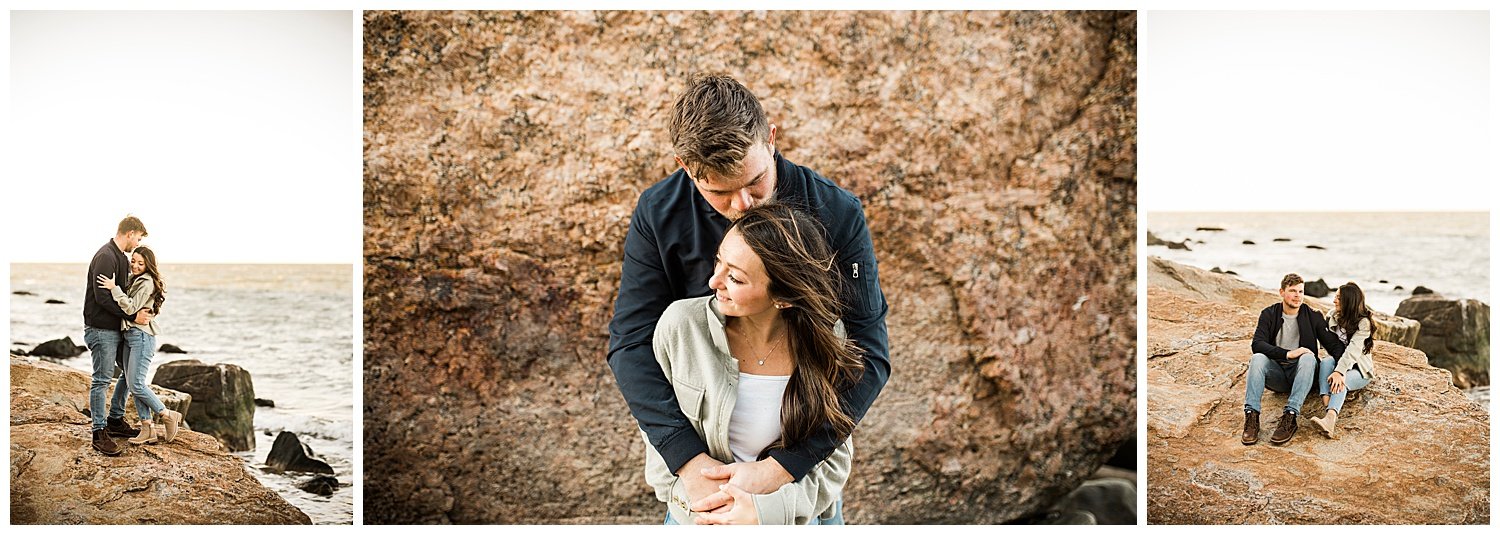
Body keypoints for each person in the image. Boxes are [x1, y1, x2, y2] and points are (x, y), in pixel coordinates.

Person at [608, 73, 890, 517]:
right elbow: (630, 345)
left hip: (802, 481)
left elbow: (869, 354)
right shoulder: (659, 213)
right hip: (700, 485)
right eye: (720, 192)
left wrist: (784, 469)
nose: (744, 205)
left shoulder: (837, 212)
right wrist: (687, 461)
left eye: (756, 181)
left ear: (771, 138)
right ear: (685, 165)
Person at [646, 203, 860, 525]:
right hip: (699, 517)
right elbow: (656, 429)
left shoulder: (826, 340)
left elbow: (833, 457)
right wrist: (705, 508)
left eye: (735, 277)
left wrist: (766, 513)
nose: (713, 281)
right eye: (719, 261)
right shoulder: (681, 326)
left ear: (783, 297)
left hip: (795, 517)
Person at [1242, 273, 1346, 446]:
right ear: (1282, 292)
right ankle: (1252, 417)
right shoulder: (1269, 314)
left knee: (1308, 358)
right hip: (1278, 376)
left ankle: (1290, 416)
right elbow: (1257, 344)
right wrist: (1287, 354)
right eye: (1292, 291)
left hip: (1304, 375)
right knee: (1258, 358)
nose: (1298, 295)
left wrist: (1341, 370)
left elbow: (1334, 345)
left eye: (1301, 291)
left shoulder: (1313, 316)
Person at [96, 245, 183, 445]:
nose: (135, 265)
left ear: (149, 265)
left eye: (140, 263)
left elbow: (131, 307)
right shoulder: (135, 280)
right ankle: (147, 428)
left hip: (142, 338)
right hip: (131, 336)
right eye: (133, 261)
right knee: (128, 379)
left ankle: (167, 414)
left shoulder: (146, 282)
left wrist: (113, 289)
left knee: (136, 384)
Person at [83, 216, 155, 456]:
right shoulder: (106, 256)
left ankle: (115, 420)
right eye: (138, 237)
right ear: (130, 232)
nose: (137, 242)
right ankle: (98, 431)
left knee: (127, 372)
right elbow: (102, 297)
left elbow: (127, 295)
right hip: (101, 329)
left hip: (116, 330)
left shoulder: (121, 258)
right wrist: (134, 317)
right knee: (102, 379)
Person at [1309, 282, 1376, 438]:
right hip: (1338, 360)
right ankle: (1327, 404)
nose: (1334, 300)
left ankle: (1330, 419)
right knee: (1326, 362)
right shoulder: (1333, 315)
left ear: (1349, 300)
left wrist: (1340, 371)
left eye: (1338, 297)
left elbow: (1353, 351)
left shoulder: (1363, 323)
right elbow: (1327, 340)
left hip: (1359, 370)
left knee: (1341, 381)